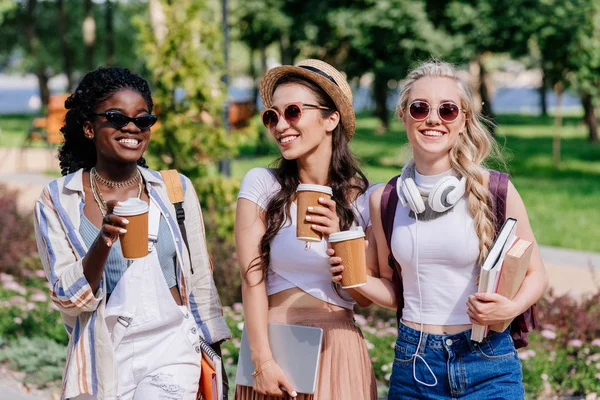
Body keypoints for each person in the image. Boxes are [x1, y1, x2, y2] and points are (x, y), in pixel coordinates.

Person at [328, 60, 548, 399]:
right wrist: (356, 279)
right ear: (403, 115)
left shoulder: (496, 191)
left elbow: (537, 275)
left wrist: (509, 308)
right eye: (420, 108)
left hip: (488, 363)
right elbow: (393, 291)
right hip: (415, 363)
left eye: (447, 110)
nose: (433, 119)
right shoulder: (384, 200)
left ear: (463, 121)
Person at [33, 66, 231, 400]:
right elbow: (67, 296)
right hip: (102, 355)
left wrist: (213, 353)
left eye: (143, 119)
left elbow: (199, 276)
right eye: (116, 116)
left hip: (171, 346)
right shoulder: (57, 199)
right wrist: (105, 239)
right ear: (88, 127)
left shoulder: (174, 188)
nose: (131, 127)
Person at [234, 59, 379, 400]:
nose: (280, 125)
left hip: (339, 349)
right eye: (272, 115)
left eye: (293, 112)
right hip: (275, 349)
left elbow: (364, 298)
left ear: (331, 118)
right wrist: (262, 361)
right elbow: (250, 278)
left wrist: (338, 234)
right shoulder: (261, 185)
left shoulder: (366, 199)